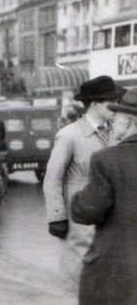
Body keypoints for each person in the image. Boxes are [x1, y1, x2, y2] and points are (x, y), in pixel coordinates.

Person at [43, 75, 125, 289]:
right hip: (81, 214)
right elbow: (52, 178)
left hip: (111, 211)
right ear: (95, 103)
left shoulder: (116, 133)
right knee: (82, 272)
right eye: (111, 102)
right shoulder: (69, 136)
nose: (116, 106)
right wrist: (56, 217)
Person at [70, 89, 137, 305]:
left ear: (127, 124)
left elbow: (88, 210)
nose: (113, 125)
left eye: (116, 120)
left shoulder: (106, 160)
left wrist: (76, 199)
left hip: (119, 275)